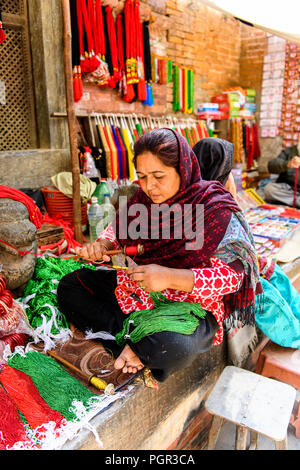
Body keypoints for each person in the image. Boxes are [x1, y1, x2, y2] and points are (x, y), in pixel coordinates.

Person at [57, 129, 261, 382]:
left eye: (158, 176)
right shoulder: (142, 201)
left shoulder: (212, 207)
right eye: (141, 176)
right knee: (70, 286)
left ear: (183, 169)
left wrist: (170, 277)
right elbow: (117, 232)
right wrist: (101, 245)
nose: (148, 186)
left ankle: (139, 345)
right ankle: (132, 346)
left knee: (174, 345)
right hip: (139, 292)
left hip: (189, 307)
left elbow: (232, 277)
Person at [193, 137, 300, 350]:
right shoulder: (214, 206)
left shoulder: (206, 197)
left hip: (226, 268)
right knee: (265, 290)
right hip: (217, 278)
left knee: (272, 271)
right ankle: (294, 335)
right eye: (229, 172)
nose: (232, 178)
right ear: (220, 174)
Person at [264, 140, 300, 208]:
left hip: (291, 196)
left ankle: (293, 202)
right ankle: (296, 202)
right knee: (269, 189)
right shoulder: (288, 152)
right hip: (288, 190)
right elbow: (271, 166)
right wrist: (287, 164)